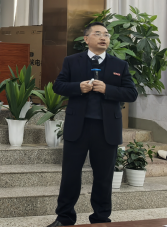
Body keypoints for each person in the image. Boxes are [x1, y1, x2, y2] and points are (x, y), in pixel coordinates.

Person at [46, 22, 138, 226]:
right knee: (70, 175)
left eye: (106, 34)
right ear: (86, 39)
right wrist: (78, 88)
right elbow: (58, 86)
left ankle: (101, 219)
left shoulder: (119, 65)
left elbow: (132, 93)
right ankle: (64, 218)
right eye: (98, 34)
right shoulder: (72, 61)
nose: (104, 37)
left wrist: (108, 89)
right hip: (77, 127)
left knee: (104, 177)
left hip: (106, 130)